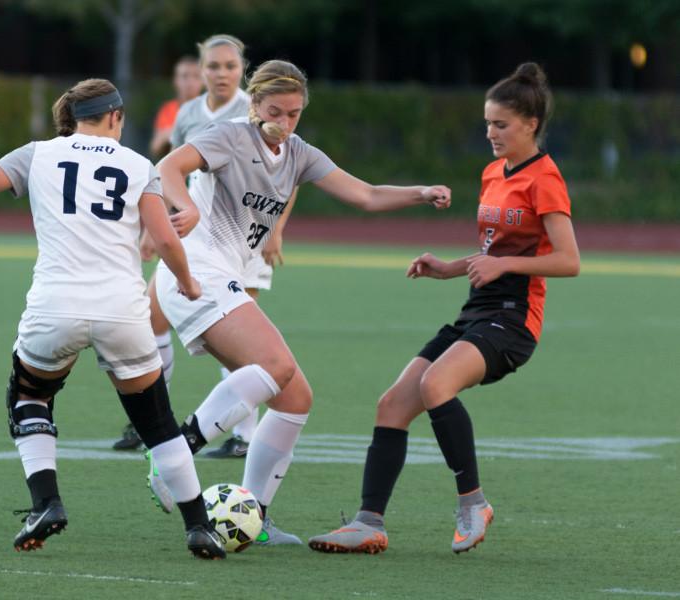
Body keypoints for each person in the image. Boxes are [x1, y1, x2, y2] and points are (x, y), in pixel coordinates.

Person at [0, 78, 226, 560]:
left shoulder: (38, 154)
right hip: (123, 311)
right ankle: (199, 526)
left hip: (55, 308)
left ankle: (46, 504)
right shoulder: (139, 166)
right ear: (116, 116)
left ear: (73, 118)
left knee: (30, 395)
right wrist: (190, 283)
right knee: (157, 421)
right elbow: (164, 239)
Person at [146, 59, 451, 546]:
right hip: (195, 271)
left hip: (220, 276)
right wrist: (186, 206)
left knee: (294, 397)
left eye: (294, 114)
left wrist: (419, 192)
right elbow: (167, 167)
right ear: (254, 104)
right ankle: (174, 455)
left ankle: (253, 514)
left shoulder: (298, 152)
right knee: (275, 365)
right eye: (275, 111)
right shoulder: (229, 135)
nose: (284, 123)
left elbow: (367, 195)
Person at [308, 62, 580, 555]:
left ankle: (473, 503)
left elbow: (569, 260)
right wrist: (448, 268)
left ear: (531, 125)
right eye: (487, 123)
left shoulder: (546, 179)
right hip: (477, 310)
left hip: (514, 320)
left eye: (501, 125)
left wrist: (503, 267)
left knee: (436, 384)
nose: (490, 133)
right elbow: (491, 255)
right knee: (392, 404)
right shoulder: (493, 173)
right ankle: (368, 522)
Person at [113, 34, 297, 458]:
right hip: (195, 239)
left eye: (230, 66)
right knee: (151, 319)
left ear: (242, 69)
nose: (221, 74)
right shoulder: (189, 113)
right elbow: (169, 174)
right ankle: (151, 420)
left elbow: (289, 173)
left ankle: (243, 434)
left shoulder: (258, 109)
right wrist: (152, 227)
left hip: (242, 239)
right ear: (201, 70)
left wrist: (277, 229)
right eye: (212, 67)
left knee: (236, 341)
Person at [148, 56, 203, 161]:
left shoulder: (209, 109)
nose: (190, 82)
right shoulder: (168, 109)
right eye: (184, 76)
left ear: (203, 81)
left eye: (196, 76)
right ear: (175, 80)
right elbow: (156, 147)